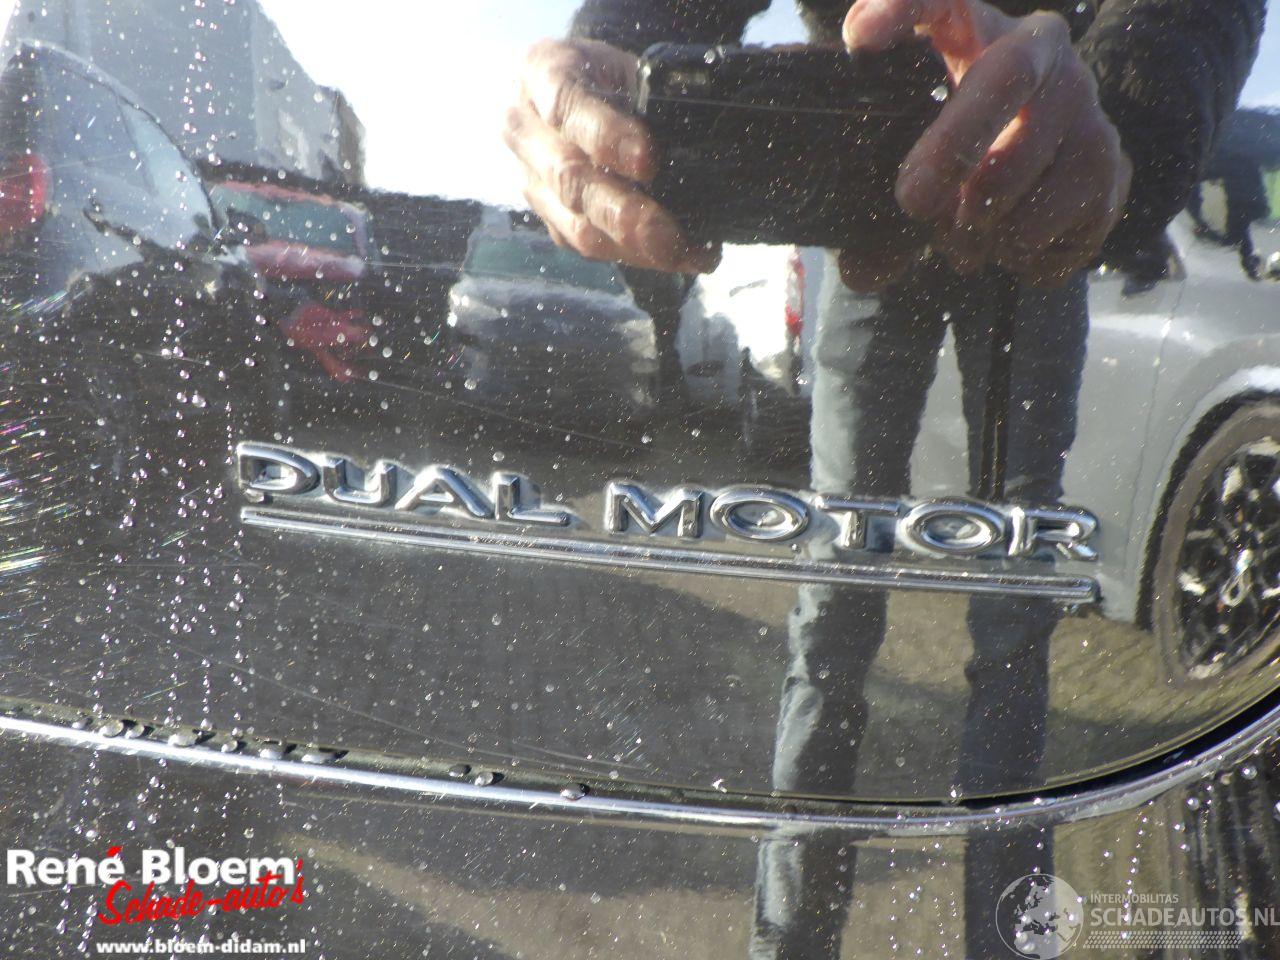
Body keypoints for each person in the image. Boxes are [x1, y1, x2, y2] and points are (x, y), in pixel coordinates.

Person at [505, 2, 1264, 957]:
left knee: (930, 617)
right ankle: (845, 939)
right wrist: (610, 46)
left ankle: (881, 938)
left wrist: (1121, 118)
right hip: (903, 199)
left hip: (1017, 193)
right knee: (911, 615)